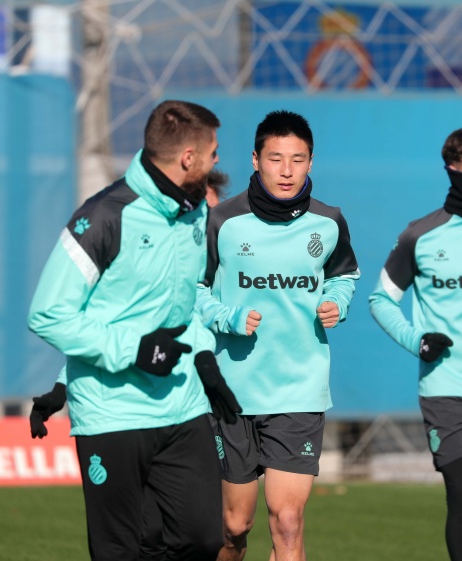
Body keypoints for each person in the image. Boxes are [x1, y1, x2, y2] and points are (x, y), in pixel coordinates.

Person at [27, 100, 240, 561]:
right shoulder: (105, 216)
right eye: (213, 152)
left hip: (182, 404)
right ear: (188, 158)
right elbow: (48, 313)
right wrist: (134, 349)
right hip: (112, 412)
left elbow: (186, 306)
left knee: (203, 539)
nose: (217, 160)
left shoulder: (195, 213)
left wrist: (205, 359)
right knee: (122, 551)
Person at [195, 110, 360, 561]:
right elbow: (192, 291)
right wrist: (228, 317)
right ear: (255, 160)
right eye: (275, 159)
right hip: (233, 392)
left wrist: (337, 302)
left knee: (287, 522)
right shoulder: (221, 221)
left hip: (299, 390)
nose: (286, 171)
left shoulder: (329, 221)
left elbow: (344, 277)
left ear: (311, 162)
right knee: (234, 527)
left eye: (297, 159)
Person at [369, 128, 462, 561]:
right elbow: (381, 300)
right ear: (452, 171)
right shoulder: (420, 235)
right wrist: (416, 341)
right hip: (446, 389)